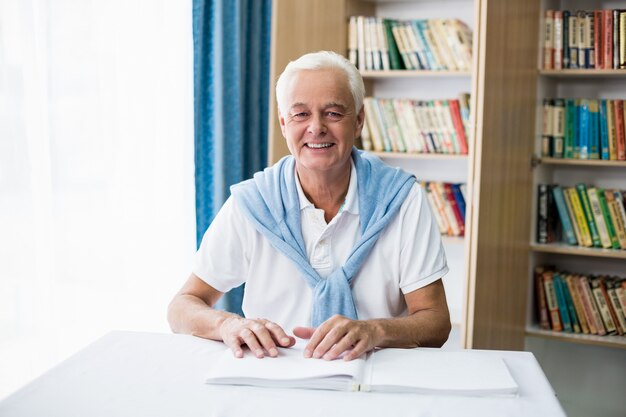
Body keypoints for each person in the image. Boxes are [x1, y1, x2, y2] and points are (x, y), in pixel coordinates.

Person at [168, 51, 451, 362]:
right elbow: (182, 306)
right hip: (274, 375)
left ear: (358, 121)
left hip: (373, 376)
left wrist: (375, 330)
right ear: (283, 124)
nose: (316, 128)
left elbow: (436, 323)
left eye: (332, 113)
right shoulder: (252, 203)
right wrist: (228, 324)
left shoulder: (403, 199)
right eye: (300, 114)